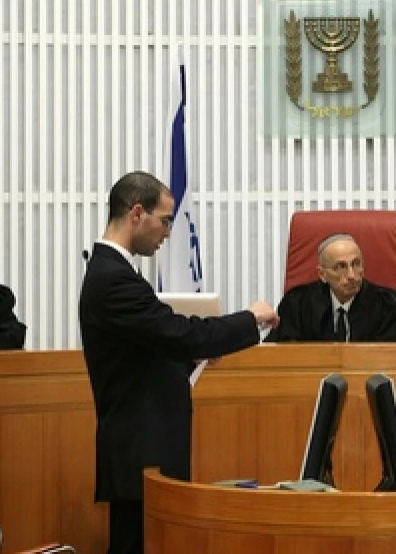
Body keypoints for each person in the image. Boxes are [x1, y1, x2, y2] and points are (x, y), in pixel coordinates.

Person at [79, 171, 279, 554]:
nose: (169, 233)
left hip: (143, 451)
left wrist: (193, 356)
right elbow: (180, 334)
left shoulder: (114, 272)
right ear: (137, 213)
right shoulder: (114, 279)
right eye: (165, 220)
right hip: (140, 453)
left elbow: (144, 355)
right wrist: (250, 318)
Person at [264, 233, 396, 342]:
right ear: (322, 274)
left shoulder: (388, 304)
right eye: (341, 267)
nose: (351, 275)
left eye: (356, 264)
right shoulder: (297, 305)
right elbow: (274, 353)